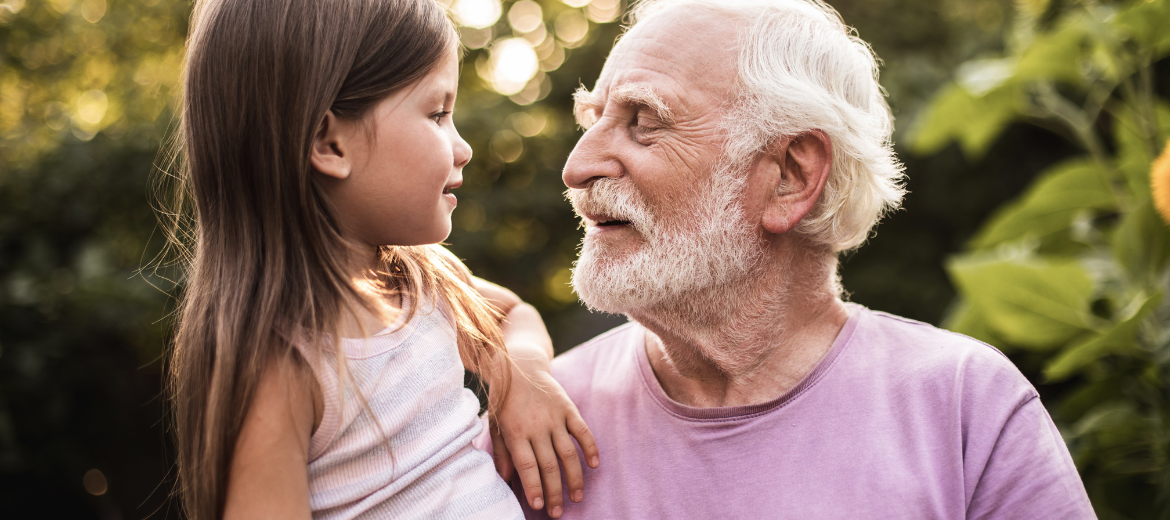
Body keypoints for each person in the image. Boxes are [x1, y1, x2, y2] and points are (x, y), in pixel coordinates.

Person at [507, 0, 1096, 518]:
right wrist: (517, 359)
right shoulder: (541, 418)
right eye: (593, 119)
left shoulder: (965, 406)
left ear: (791, 175)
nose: (577, 169)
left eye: (645, 123)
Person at [163, 0, 597, 519]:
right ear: (329, 143)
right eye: (437, 114)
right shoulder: (281, 360)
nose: (464, 148)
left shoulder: (419, 281)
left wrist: (518, 378)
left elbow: (513, 315)